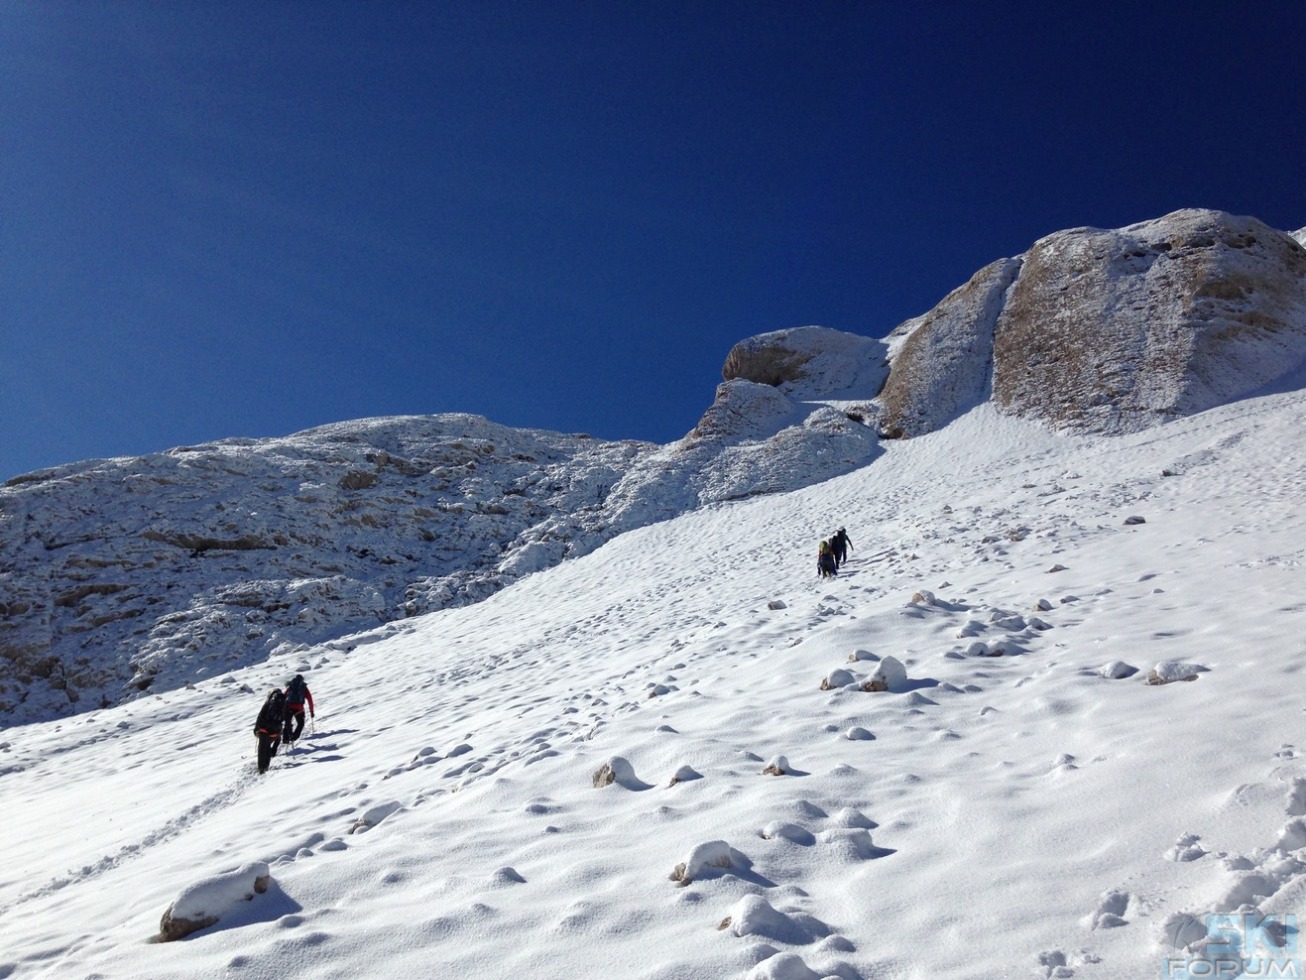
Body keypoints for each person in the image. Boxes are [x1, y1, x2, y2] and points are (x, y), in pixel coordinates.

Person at [254, 688, 286, 773]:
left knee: (262, 748)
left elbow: (260, 716)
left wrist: (256, 729)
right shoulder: (284, 704)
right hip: (275, 732)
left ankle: (261, 768)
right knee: (267, 746)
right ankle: (266, 766)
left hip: (264, 729)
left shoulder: (268, 703)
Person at [282, 673, 315, 745]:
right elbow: (310, 699)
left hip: (289, 707)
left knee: (287, 723)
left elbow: (284, 696)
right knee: (301, 723)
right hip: (299, 709)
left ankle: (286, 739)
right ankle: (294, 736)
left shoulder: (291, 686)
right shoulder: (304, 687)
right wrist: (311, 711)